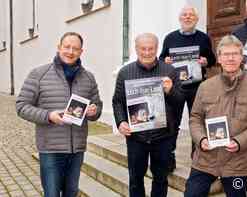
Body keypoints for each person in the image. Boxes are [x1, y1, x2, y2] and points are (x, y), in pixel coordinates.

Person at [184, 35, 247, 197]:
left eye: (234, 54)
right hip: (206, 160)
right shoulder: (205, 87)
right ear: (219, 58)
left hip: (239, 161)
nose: (230, 58)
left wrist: (240, 142)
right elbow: (195, 118)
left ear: (242, 57)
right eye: (225, 54)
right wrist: (201, 139)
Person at [16, 32, 103, 197]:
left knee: (71, 192)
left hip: (76, 149)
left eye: (75, 48)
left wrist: (94, 111)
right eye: (67, 47)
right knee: (52, 193)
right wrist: (48, 116)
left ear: (81, 52)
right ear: (59, 48)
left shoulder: (88, 78)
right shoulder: (39, 74)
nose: (70, 51)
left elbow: (97, 105)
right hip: (50, 149)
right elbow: (21, 106)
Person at [112, 33, 183, 197]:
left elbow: (180, 102)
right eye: (143, 49)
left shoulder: (170, 71)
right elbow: (117, 102)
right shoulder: (125, 72)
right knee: (135, 179)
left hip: (163, 136)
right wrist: (121, 121)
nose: (147, 52)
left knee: (161, 178)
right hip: (136, 137)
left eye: (151, 48)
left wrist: (170, 90)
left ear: (156, 49)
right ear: (136, 49)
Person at [159, 5, 217, 169]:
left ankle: (196, 156)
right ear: (180, 18)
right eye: (184, 15)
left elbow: (212, 60)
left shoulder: (203, 38)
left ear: (196, 19)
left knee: (197, 122)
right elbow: (162, 58)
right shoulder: (170, 38)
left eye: (191, 15)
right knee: (173, 122)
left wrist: (206, 62)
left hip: (197, 87)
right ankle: (169, 158)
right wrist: (166, 61)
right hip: (176, 87)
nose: (187, 17)